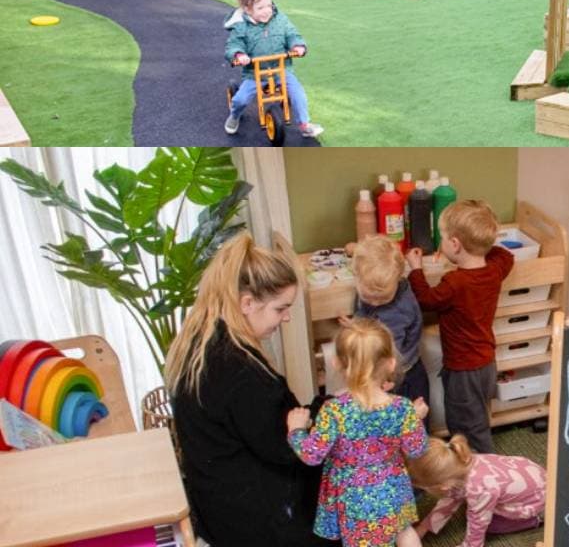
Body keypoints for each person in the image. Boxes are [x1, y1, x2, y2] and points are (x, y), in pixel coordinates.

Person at [165, 234, 327, 547]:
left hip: (217, 503)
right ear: (248, 303)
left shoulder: (200, 341)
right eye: (280, 309)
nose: (286, 317)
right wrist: (329, 408)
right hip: (251, 519)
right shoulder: (240, 373)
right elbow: (287, 449)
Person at [287, 318, 430, 547]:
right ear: (391, 364)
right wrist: (415, 418)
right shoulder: (403, 407)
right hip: (394, 489)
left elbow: (312, 455)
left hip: (354, 498)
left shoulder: (334, 410)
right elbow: (417, 449)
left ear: (336, 363)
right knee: (404, 531)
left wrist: (296, 431)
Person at [406, 200, 514, 453]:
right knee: (477, 417)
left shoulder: (455, 282)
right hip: (486, 364)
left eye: (443, 238)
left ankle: (483, 473)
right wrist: (482, 245)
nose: (441, 243)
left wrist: (416, 270)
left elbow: (426, 300)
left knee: (467, 427)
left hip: (463, 370)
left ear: (455, 244)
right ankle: (473, 464)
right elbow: (505, 255)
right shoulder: (495, 270)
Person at [341, 234, 430, 406]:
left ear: (398, 280)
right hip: (386, 368)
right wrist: (355, 326)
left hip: (398, 374)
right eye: (368, 297)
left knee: (408, 424)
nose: (374, 303)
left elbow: (385, 350)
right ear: (356, 277)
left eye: (382, 299)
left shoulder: (398, 311)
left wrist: (385, 377)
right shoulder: (373, 282)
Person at [224, 0, 323, 139]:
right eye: (260, 8)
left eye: (269, 6)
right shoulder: (241, 26)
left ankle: (304, 124)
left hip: (281, 69)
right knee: (240, 99)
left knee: (298, 93)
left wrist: (297, 46)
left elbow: (292, 34)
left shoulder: (280, 19)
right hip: (254, 73)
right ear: (248, 10)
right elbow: (234, 45)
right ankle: (234, 116)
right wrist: (238, 54)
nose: (266, 11)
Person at [409, 435, 547, 547]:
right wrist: (424, 527)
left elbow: (478, 525)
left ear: (443, 486)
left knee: (490, 524)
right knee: (472, 506)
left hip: (540, 502)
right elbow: (451, 498)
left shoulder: (479, 489)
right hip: (535, 476)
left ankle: (535, 520)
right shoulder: (462, 460)